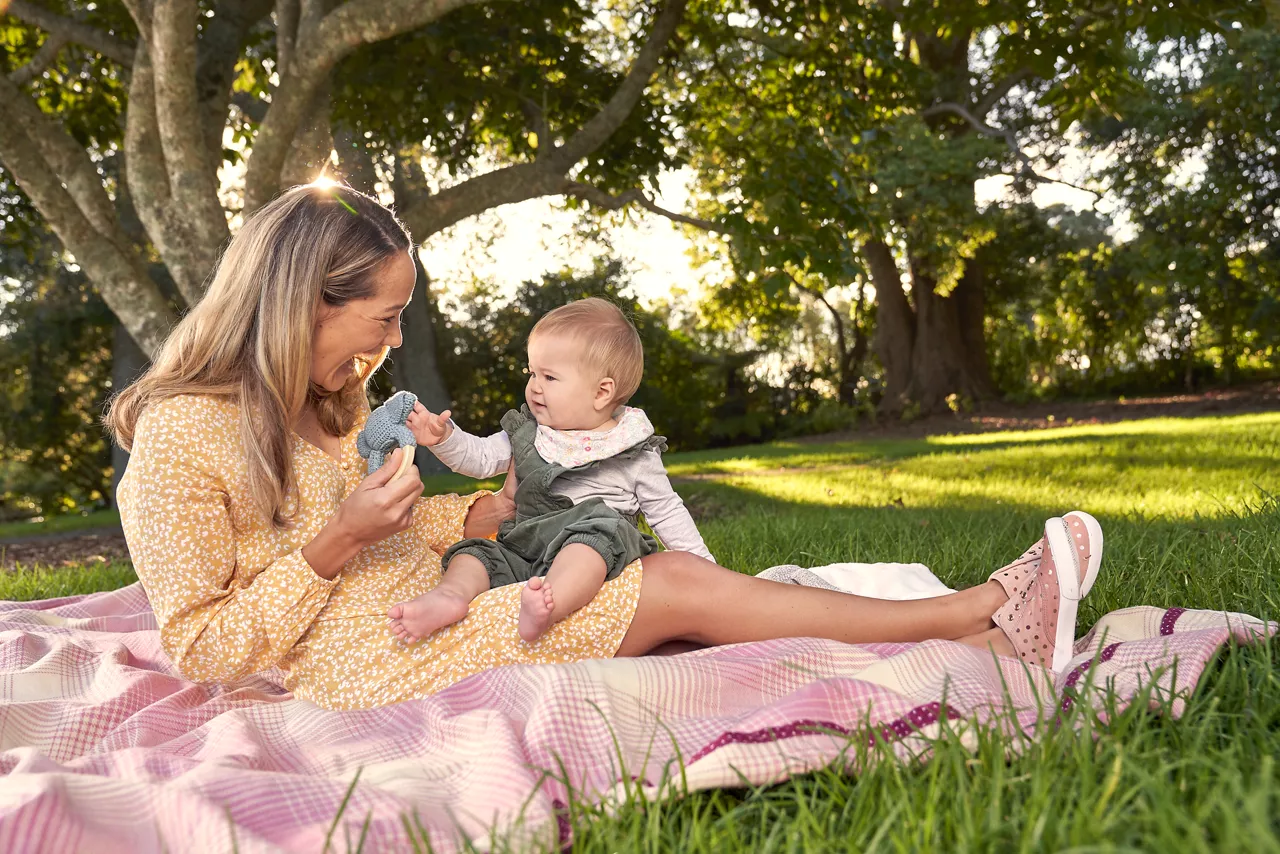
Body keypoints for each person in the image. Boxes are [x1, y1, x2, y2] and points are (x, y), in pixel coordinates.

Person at [107, 183, 1104, 712]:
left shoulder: (317, 408)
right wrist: (335, 543)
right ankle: (985, 605)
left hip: (428, 599)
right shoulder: (183, 436)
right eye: (384, 313)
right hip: (368, 663)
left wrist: (468, 512)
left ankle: (972, 644)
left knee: (646, 589)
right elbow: (201, 647)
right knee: (668, 585)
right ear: (301, 303)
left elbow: (376, 537)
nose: (395, 338)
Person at [387, 297, 712, 645]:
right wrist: (443, 438)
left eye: (550, 376)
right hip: (526, 546)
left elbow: (666, 511)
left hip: (597, 550)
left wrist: (706, 569)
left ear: (602, 392)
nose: (535, 386)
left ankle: (549, 605)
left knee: (592, 540)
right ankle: (450, 596)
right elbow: (479, 458)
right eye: (532, 373)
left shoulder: (631, 450)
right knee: (476, 553)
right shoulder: (530, 431)